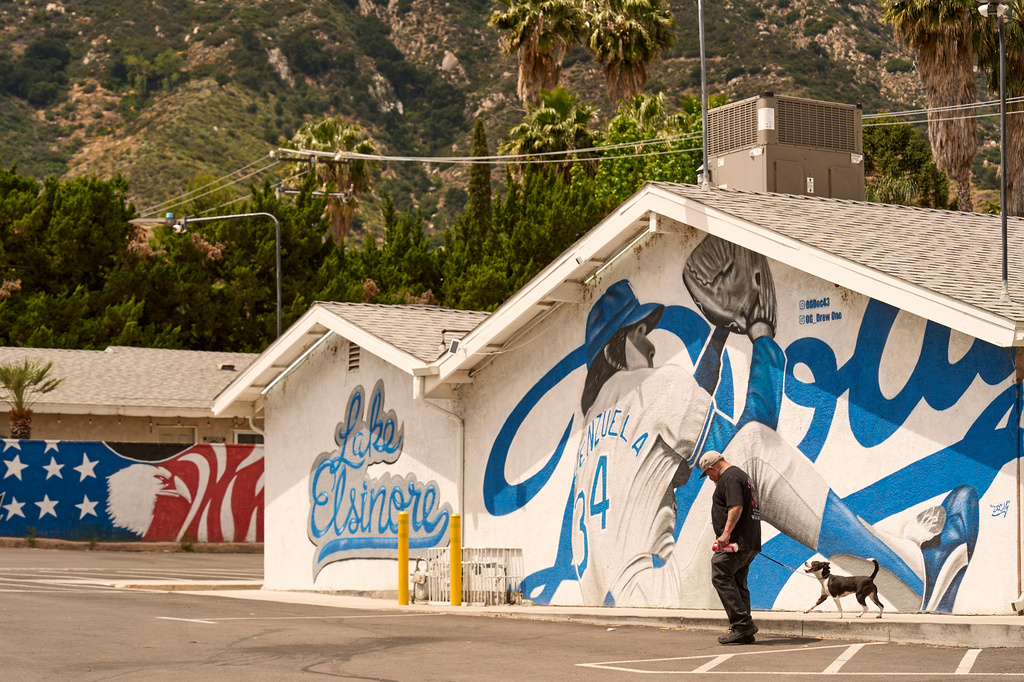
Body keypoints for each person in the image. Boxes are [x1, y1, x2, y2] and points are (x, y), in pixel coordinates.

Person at [699, 451, 760, 644]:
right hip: (749, 541)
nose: (709, 478)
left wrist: (725, 533)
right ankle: (744, 631)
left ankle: (742, 624)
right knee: (738, 582)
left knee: (720, 573)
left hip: (736, 542)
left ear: (712, 468)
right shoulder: (742, 476)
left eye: (708, 474)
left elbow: (736, 507)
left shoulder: (730, 477)